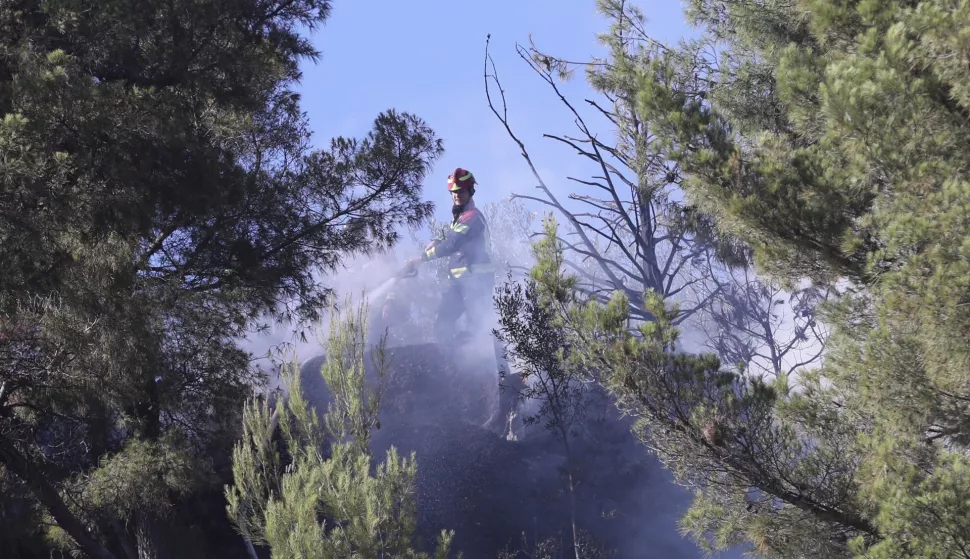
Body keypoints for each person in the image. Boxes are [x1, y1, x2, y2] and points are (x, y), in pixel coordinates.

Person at [402, 167, 495, 345]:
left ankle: (482, 360)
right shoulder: (461, 217)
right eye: (454, 192)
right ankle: (454, 359)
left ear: (470, 191)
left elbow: (453, 244)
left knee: (477, 330)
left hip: (476, 281)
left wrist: (422, 258)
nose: (457, 195)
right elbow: (454, 241)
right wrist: (437, 242)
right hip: (459, 283)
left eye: (461, 191)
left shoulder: (472, 216)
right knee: (442, 326)